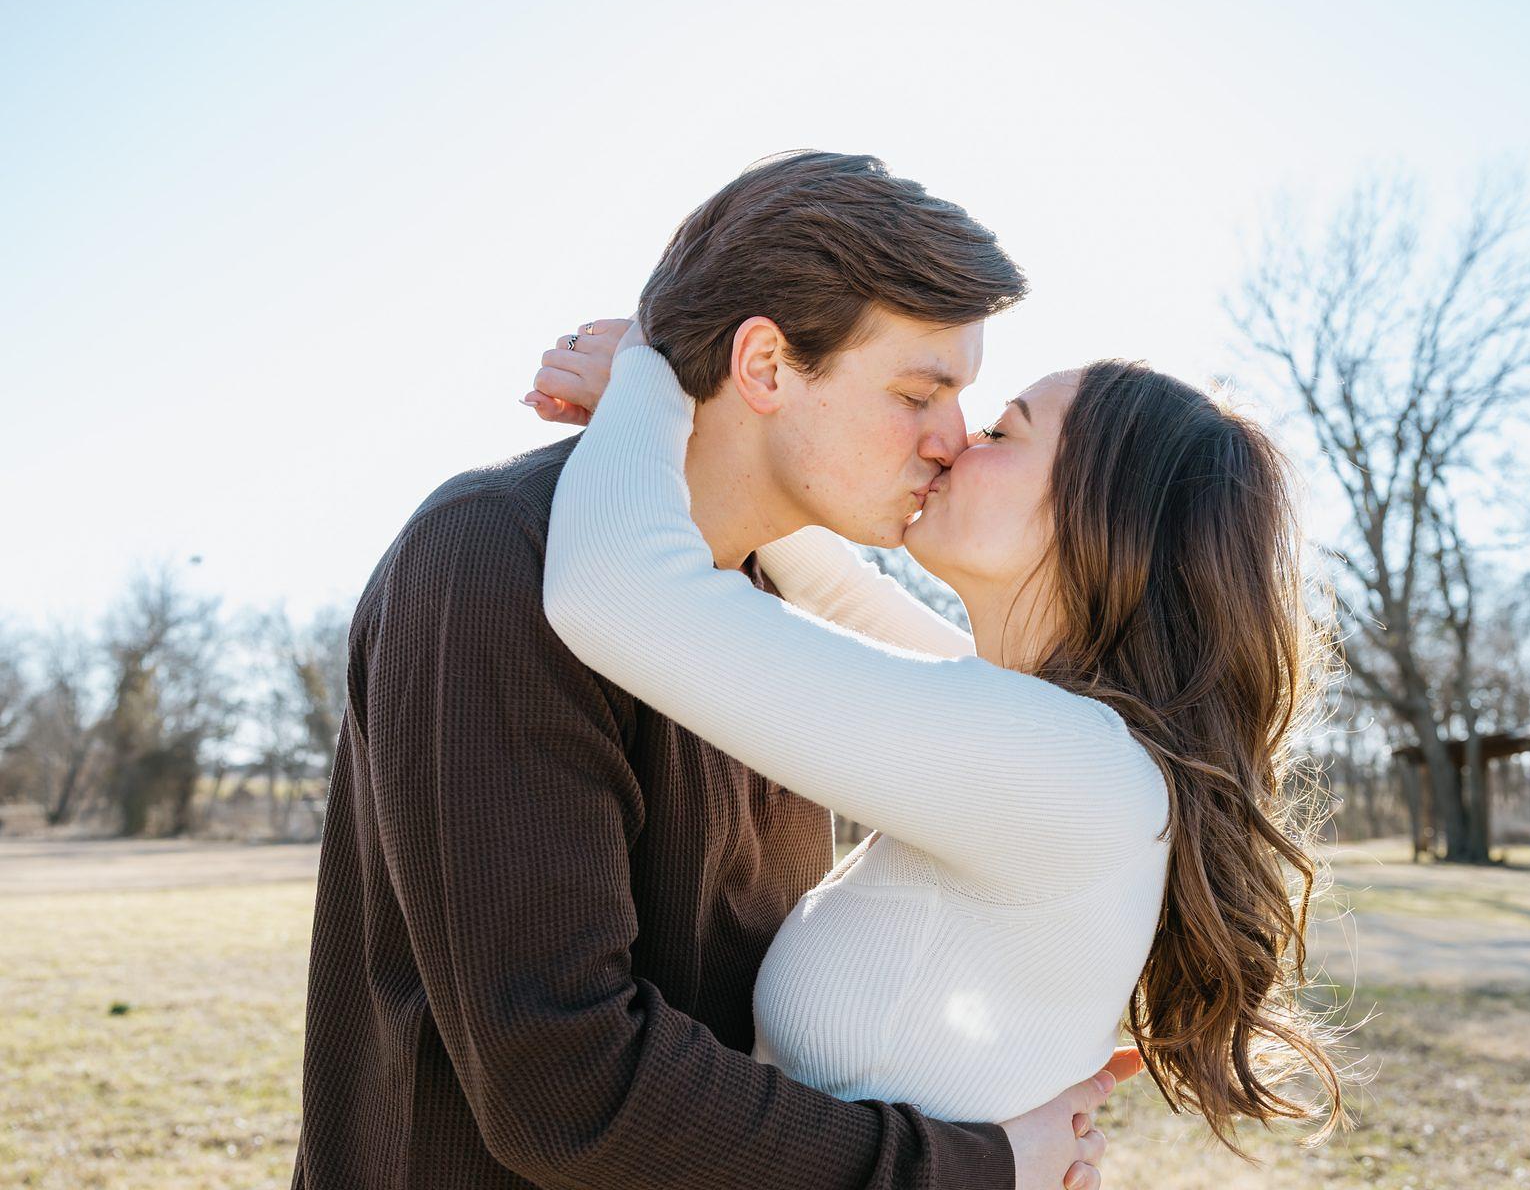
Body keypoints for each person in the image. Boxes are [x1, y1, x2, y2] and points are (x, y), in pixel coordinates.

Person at [291, 152, 1131, 1190]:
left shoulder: (759, 623)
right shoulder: (495, 559)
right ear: (765, 366)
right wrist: (968, 1169)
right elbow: (569, 1087)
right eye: (920, 393)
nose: (949, 442)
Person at [531, 305, 1345, 1162]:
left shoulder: (1061, 768)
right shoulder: (1056, 737)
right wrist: (712, 420)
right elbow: (838, 599)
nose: (955, 443)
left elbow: (614, 592)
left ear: (1099, 517)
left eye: (1001, 432)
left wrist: (649, 378)